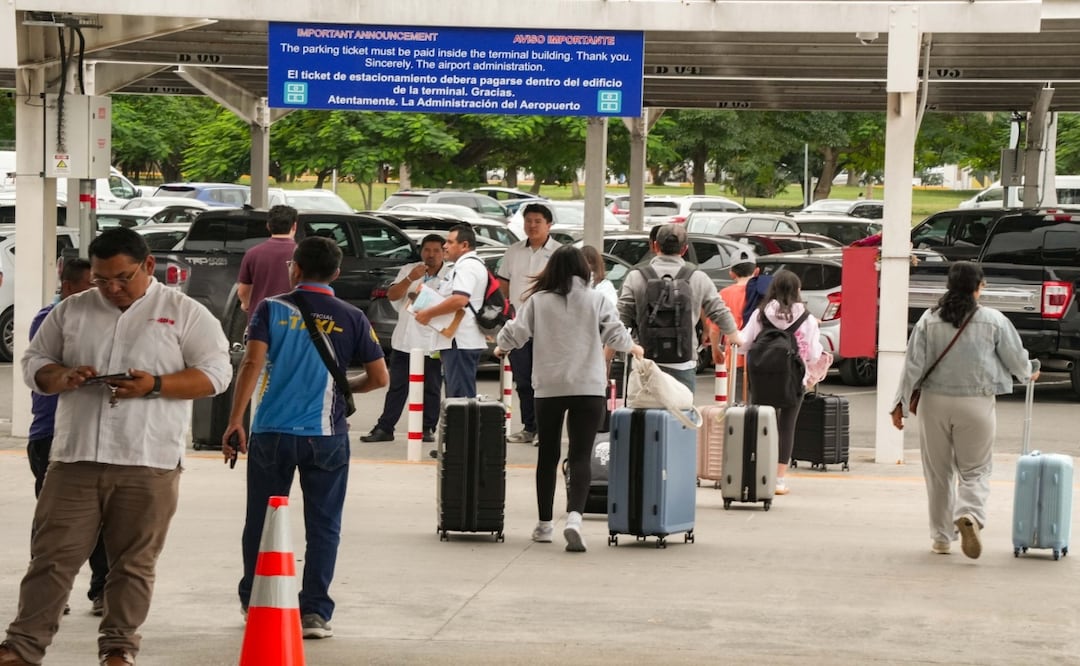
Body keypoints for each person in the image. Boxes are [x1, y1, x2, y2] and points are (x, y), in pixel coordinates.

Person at [3, 227, 232, 666]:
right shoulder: (72, 310)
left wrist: (156, 385)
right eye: (101, 280)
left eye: (122, 278)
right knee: (51, 558)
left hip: (149, 459)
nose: (112, 289)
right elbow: (35, 362)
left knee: (133, 563)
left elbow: (216, 375)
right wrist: (61, 377)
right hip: (75, 458)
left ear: (148, 266)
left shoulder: (185, 312)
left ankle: (119, 648)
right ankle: (22, 646)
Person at [224, 236, 388, 639]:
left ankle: (255, 599)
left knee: (261, 520)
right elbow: (381, 377)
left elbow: (251, 362)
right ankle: (314, 612)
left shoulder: (270, 308)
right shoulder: (353, 316)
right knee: (324, 525)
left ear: (294, 267)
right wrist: (344, 387)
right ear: (337, 273)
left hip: (271, 433)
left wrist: (235, 421)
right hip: (327, 436)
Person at [495, 245, 643, 553]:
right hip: (589, 387)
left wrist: (501, 346)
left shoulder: (538, 301)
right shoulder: (597, 299)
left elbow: (516, 333)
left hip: (549, 387)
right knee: (580, 455)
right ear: (583, 271)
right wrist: (632, 347)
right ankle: (575, 517)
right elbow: (616, 335)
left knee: (547, 457)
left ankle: (545, 524)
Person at [891, 261, 1039, 559]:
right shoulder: (993, 320)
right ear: (978, 287)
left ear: (949, 285)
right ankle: (969, 514)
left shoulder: (928, 320)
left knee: (938, 473)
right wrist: (1028, 372)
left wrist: (900, 404)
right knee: (976, 469)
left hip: (934, 403)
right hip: (977, 402)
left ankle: (942, 539)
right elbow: (1016, 359)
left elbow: (912, 365)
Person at [25, 258, 109, 618]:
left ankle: (102, 589)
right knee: (54, 524)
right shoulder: (51, 319)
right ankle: (47, 596)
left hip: (92, 434)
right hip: (51, 435)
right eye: (96, 285)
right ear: (73, 287)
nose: (104, 292)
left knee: (103, 519)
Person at [617, 224, 741, 393]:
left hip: (644, 360)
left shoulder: (636, 277)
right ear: (684, 249)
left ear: (655, 246)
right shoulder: (698, 278)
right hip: (684, 362)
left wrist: (612, 354)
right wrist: (733, 335)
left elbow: (621, 318)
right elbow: (719, 310)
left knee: (644, 415)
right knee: (683, 415)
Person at [738, 269, 827, 496]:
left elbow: (744, 343)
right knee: (787, 426)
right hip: (794, 378)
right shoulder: (807, 318)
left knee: (759, 423)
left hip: (761, 377)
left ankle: (756, 472)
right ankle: (778, 480)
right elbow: (814, 355)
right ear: (797, 291)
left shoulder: (761, 315)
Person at [360, 234, 449, 443]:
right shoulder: (410, 270)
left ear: (444, 252)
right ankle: (385, 427)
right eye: (427, 250)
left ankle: (427, 427)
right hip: (405, 339)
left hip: (432, 341)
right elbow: (392, 295)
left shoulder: (450, 274)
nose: (431, 255)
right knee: (397, 386)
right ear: (421, 251)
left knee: (432, 386)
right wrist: (410, 279)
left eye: (437, 250)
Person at [497, 202, 561, 444]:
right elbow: (503, 284)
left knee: (546, 381)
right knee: (523, 380)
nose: (532, 226)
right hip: (519, 326)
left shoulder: (558, 253)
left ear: (549, 225)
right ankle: (529, 427)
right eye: (528, 221)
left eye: (537, 222)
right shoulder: (514, 251)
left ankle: (546, 430)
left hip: (548, 328)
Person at [414, 224, 487, 398]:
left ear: (464, 245)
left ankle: (463, 426)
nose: (445, 246)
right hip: (456, 340)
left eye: (450, 242)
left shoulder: (466, 267)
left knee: (460, 399)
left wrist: (428, 313)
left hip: (460, 340)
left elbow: (460, 299)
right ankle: (460, 425)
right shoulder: (463, 266)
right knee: (457, 397)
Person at [236, 204, 298, 317]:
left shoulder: (252, 253)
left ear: (268, 226)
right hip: (293, 321)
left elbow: (242, 291)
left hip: (261, 320)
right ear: (294, 226)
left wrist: (246, 304)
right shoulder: (302, 254)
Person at [709, 260, 757, 391]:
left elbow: (714, 330)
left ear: (732, 273)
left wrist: (715, 349)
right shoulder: (763, 292)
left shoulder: (724, 294)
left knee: (738, 402)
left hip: (736, 354)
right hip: (761, 354)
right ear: (756, 271)